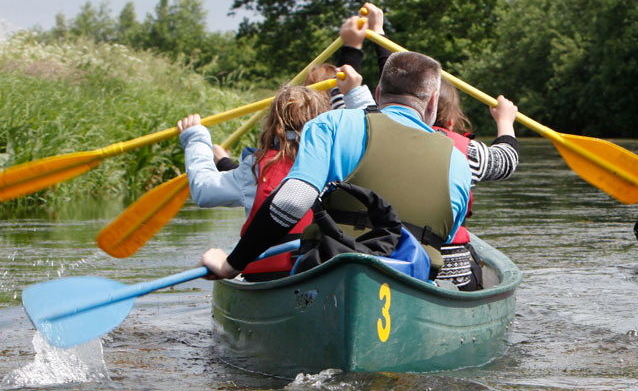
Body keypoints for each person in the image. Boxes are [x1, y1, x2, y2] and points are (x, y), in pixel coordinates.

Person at [198, 50, 472, 280]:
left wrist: (231, 264)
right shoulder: (458, 160)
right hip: (409, 281)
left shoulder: (332, 124)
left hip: (332, 271)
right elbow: (444, 235)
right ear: (433, 100)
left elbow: (292, 203)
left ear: (377, 92)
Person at [177, 66, 371, 212]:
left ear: (271, 125)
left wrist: (196, 138)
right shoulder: (344, 159)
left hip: (275, 263)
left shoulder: (256, 168)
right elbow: (373, 129)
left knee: (212, 257)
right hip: (326, 256)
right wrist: (356, 93)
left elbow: (203, 190)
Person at [432, 81, 520, 288]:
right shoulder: (464, 151)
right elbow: (506, 160)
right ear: (451, 120)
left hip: (400, 264)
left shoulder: (390, 139)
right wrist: (505, 120)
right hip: (454, 275)